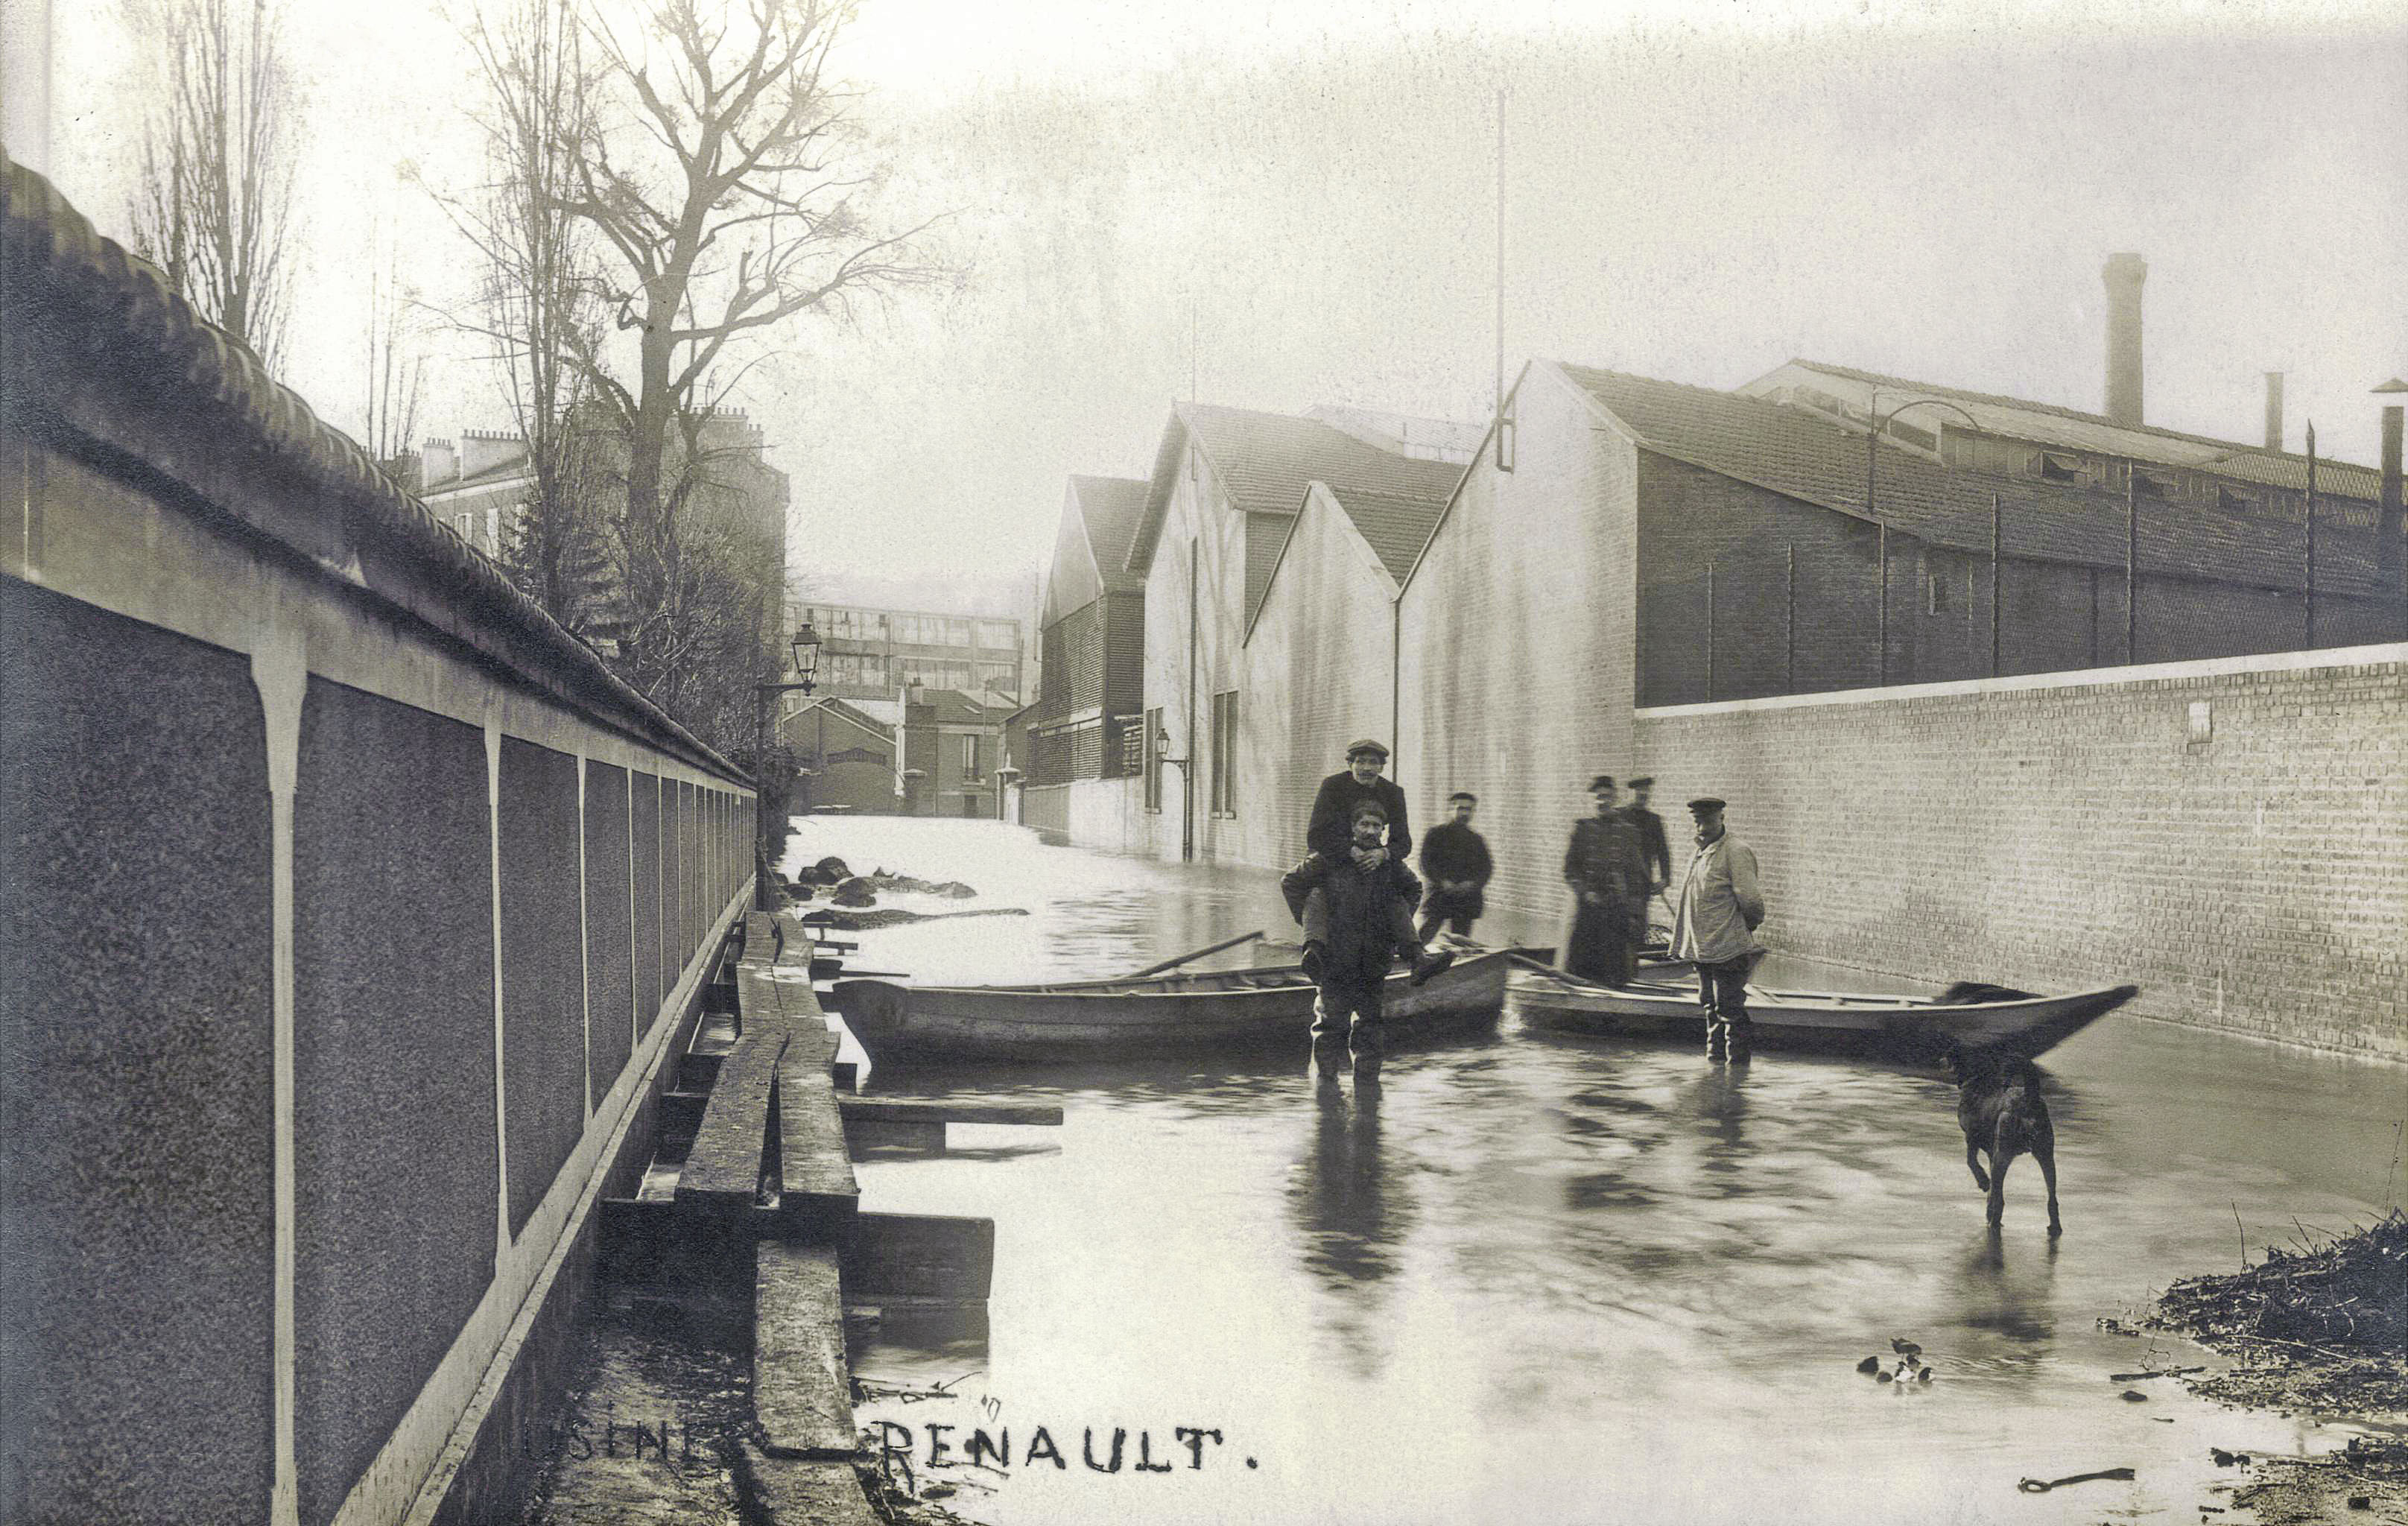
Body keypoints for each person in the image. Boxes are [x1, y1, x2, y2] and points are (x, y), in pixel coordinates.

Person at [1282, 800, 1443, 1063]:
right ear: (1353, 828)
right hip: (1334, 957)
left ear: (1383, 830)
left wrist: (1392, 926)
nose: (1370, 831)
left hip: (1373, 957)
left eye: (1376, 826)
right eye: (1364, 824)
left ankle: (1368, 1094)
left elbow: (1414, 889)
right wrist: (1314, 921)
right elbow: (1291, 882)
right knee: (1329, 1027)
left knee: (1370, 1030)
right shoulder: (1329, 858)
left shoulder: (1390, 864)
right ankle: (1326, 1092)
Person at [1669, 796, 1767, 1064]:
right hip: (1703, 948)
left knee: (1730, 1009)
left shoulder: (1735, 850)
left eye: (1708, 821)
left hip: (1728, 947)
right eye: (1698, 821)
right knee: (1710, 1006)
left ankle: (1737, 1072)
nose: (1702, 827)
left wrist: (1746, 926)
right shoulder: (1700, 851)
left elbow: (1751, 901)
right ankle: (1715, 1067)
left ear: (1722, 818)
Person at [1560, 776, 1647, 987]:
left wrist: (1634, 910)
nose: (1602, 802)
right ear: (1593, 800)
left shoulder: (1628, 832)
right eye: (1598, 797)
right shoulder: (1582, 829)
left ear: (1615, 798)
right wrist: (1584, 892)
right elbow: (1570, 870)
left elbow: (1637, 875)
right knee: (1580, 968)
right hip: (1588, 909)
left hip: (1615, 910)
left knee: (1615, 970)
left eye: (1607, 797)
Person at [1306, 739, 1410, 866]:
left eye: (1373, 763)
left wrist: (1383, 853)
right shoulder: (1333, 786)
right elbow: (1316, 836)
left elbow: (1403, 842)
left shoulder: (1393, 793)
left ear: (1381, 767)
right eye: (1360, 762)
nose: (1367, 768)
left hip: (1373, 858)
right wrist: (1349, 851)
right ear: (1350, 765)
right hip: (1333, 855)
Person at [1416, 791, 1493, 943]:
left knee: (1460, 941)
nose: (1464, 813)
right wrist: (1442, 882)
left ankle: (1456, 965)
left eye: (1469, 809)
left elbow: (1486, 869)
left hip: (1466, 898)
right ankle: (1409, 961)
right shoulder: (1435, 834)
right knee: (1424, 935)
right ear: (1450, 810)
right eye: (1460, 808)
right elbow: (1425, 863)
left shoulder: (1476, 840)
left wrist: (1472, 884)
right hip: (1439, 894)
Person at [1623, 776, 1672, 899]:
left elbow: (1663, 852)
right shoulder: (1618, 816)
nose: (1643, 793)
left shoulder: (1654, 821)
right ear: (1630, 792)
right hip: (1619, 883)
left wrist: (1664, 879)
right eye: (1638, 790)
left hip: (1642, 884)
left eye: (1646, 790)